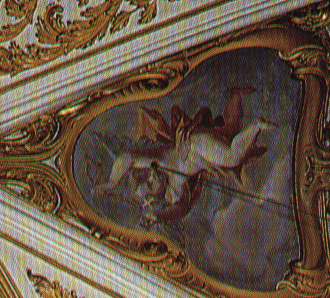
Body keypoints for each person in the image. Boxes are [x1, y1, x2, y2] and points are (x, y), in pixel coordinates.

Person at [92, 86, 273, 226]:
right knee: (231, 133)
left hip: (194, 143)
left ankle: (257, 125)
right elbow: (181, 209)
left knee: (232, 157)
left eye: (147, 178)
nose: (151, 176)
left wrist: (112, 182)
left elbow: (127, 157)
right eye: (151, 185)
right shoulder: (176, 189)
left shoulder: (157, 162)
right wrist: (158, 216)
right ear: (157, 196)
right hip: (203, 154)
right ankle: (236, 95)